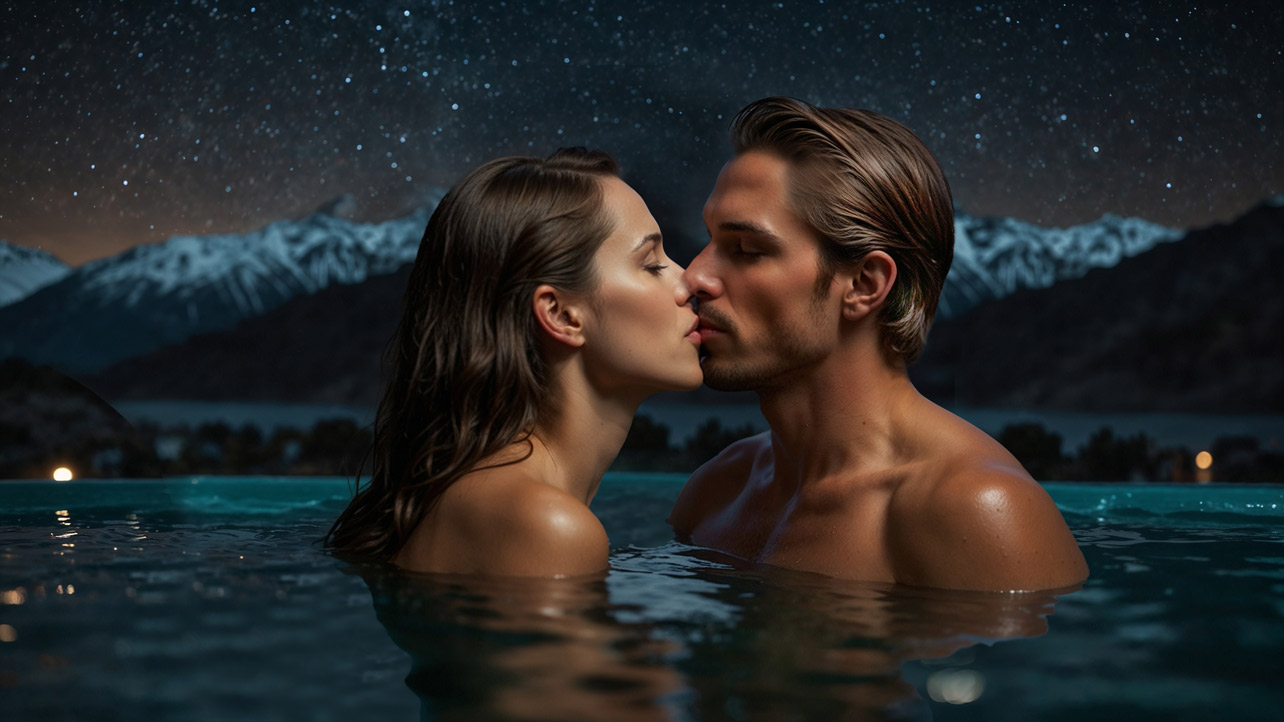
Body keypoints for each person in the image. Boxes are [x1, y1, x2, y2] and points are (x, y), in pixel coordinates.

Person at [669, 97, 1088, 592]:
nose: (693, 275)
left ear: (865, 284)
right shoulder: (717, 489)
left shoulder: (977, 515)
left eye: (745, 249)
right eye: (709, 239)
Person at [326, 148, 702, 577]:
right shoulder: (546, 526)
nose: (689, 278)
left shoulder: (487, 496)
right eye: (652, 264)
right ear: (561, 315)